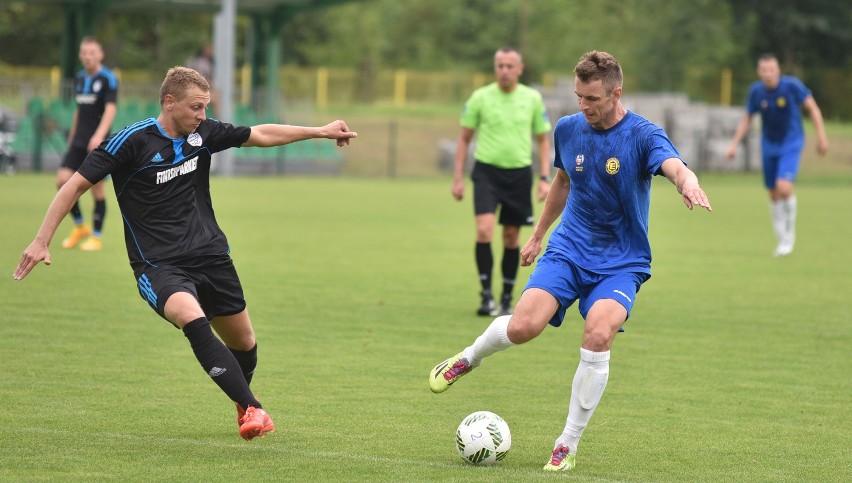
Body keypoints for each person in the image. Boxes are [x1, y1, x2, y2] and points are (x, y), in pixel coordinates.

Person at [14, 66, 357, 440]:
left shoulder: (204, 133)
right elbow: (73, 186)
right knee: (190, 317)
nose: (202, 116)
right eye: (196, 107)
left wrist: (320, 131)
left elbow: (260, 133)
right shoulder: (130, 142)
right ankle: (254, 408)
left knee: (244, 344)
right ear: (169, 102)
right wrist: (41, 239)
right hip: (158, 265)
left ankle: (243, 401)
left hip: (211, 256)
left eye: (205, 107)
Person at [430, 51, 712, 472]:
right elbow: (562, 181)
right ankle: (468, 358)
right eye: (579, 96)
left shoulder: (643, 135)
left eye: (592, 98)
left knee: (599, 333)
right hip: (569, 249)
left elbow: (674, 166)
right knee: (524, 326)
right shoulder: (568, 129)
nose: (583, 106)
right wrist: (539, 235)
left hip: (622, 261)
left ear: (616, 93)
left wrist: (688, 184)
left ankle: (567, 444)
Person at [451, 46, 552, 317]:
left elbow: (543, 141)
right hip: (486, 173)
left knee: (510, 237)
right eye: (500, 66)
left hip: (519, 175)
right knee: (484, 231)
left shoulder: (532, 98)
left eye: (510, 66)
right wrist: (458, 177)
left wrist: (544, 178)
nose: (504, 71)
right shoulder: (480, 97)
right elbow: (464, 139)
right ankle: (486, 296)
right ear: (495, 68)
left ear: (519, 69)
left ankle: (506, 297)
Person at [725, 53, 829, 257]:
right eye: (764, 70)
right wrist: (734, 144)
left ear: (778, 70)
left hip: (791, 142)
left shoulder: (792, 86)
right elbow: (747, 118)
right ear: (759, 72)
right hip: (769, 145)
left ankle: (789, 237)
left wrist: (821, 136)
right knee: (773, 193)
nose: (768, 74)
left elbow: (813, 109)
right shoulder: (756, 92)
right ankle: (781, 239)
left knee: (784, 186)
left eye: (771, 70)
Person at [57, 36, 119, 251]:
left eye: (92, 52)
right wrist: (73, 137)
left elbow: (111, 109)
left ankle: (96, 236)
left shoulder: (108, 78)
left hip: (97, 142)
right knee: (62, 181)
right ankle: (80, 226)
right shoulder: (80, 79)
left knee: (96, 189)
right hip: (79, 140)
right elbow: (79, 111)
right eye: (84, 52)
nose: (87, 56)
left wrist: (100, 136)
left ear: (100, 55)